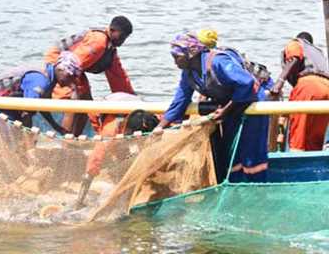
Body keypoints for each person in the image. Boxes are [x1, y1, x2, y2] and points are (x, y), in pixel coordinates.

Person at [154, 32, 269, 183]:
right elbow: (180, 101)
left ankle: (256, 187)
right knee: (231, 151)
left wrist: (226, 110)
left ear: (191, 53)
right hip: (231, 107)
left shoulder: (217, 61)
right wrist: (159, 128)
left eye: (177, 57)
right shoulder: (188, 73)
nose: (175, 62)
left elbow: (246, 83)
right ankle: (236, 187)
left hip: (251, 103)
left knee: (251, 151)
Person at [44, 16, 135, 135]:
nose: (123, 42)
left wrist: (133, 101)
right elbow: (70, 64)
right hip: (59, 64)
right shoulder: (98, 42)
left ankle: (75, 138)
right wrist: (72, 87)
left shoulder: (110, 51)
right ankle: (64, 141)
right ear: (112, 30)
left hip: (75, 69)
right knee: (73, 99)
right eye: (122, 37)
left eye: (125, 38)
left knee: (87, 103)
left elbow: (120, 80)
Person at [75, 92, 159, 208]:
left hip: (130, 105)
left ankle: (130, 179)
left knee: (140, 154)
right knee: (116, 150)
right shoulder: (110, 130)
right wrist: (80, 200)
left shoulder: (152, 119)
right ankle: (121, 178)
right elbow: (94, 160)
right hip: (104, 110)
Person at [0, 51, 82, 134]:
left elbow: (41, 106)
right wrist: (28, 140)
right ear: (60, 69)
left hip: (11, 103)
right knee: (14, 138)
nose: (71, 81)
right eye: (70, 76)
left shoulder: (50, 78)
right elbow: (26, 112)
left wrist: (56, 127)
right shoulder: (41, 80)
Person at [270, 32, 329, 151]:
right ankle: (313, 162)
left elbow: (295, 58)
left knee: (299, 131)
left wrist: (279, 83)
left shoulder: (296, 43)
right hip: (326, 88)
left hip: (308, 86)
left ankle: (295, 160)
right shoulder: (318, 52)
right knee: (315, 134)